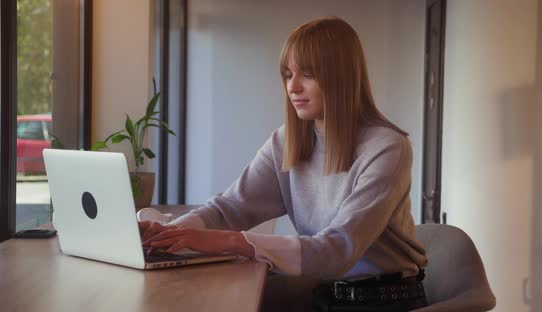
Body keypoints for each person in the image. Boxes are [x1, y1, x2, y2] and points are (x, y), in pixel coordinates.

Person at [139, 16, 428, 311]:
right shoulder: (287, 140)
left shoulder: (387, 147)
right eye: (288, 74)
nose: (294, 87)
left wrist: (229, 241)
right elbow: (230, 208)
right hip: (323, 291)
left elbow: (338, 250)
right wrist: (168, 234)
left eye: (308, 74)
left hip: (384, 300)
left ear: (341, 76)